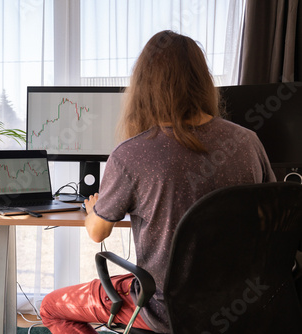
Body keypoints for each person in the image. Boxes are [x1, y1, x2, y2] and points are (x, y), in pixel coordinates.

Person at [39, 30, 276, 333]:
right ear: (202, 81)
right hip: (242, 304)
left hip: (163, 309)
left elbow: (98, 233)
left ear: (143, 87)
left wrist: (94, 211)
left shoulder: (131, 154)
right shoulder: (248, 142)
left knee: (52, 308)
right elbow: (269, 218)